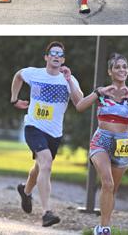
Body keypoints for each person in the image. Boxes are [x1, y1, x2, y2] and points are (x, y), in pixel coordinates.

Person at [74, 53, 128, 235]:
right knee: (107, 183)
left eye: (124, 67)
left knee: (113, 188)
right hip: (101, 139)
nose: (122, 70)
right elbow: (79, 107)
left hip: (123, 142)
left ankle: (105, 223)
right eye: (117, 67)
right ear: (110, 71)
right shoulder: (102, 92)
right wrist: (96, 92)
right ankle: (103, 229)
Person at [12, 42, 84, 228]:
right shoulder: (34, 73)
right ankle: (46, 213)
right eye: (53, 53)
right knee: (46, 163)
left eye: (60, 54)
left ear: (63, 60)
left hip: (54, 133)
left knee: (40, 167)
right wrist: (14, 99)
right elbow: (18, 75)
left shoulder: (69, 79)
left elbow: (80, 103)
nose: (56, 56)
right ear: (46, 57)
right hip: (34, 127)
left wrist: (68, 80)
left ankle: (26, 191)